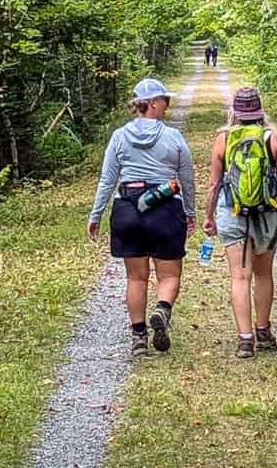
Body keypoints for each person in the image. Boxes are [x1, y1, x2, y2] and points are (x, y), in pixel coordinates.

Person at [88, 77, 197, 355]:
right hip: (165, 207)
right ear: (151, 104)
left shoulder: (119, 136)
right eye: (164, 100)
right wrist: (189, 211)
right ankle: (162, 310)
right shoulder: (173, 137)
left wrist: (96, 214)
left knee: (136, 277)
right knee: (169, 274)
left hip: (128, 208)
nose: (167, 105)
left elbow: (108, 179)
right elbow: (186, 178)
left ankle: (138, 337)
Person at [202, 86, 277, 358]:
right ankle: (263, 331)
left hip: (233, 211)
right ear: (259, 111)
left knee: (239, 276)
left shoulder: (223, 139)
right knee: (263, 273)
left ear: (235, 112)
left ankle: (245, 340)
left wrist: (208, 216)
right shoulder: (272, 138)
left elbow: (214, 184)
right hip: (268, 213)